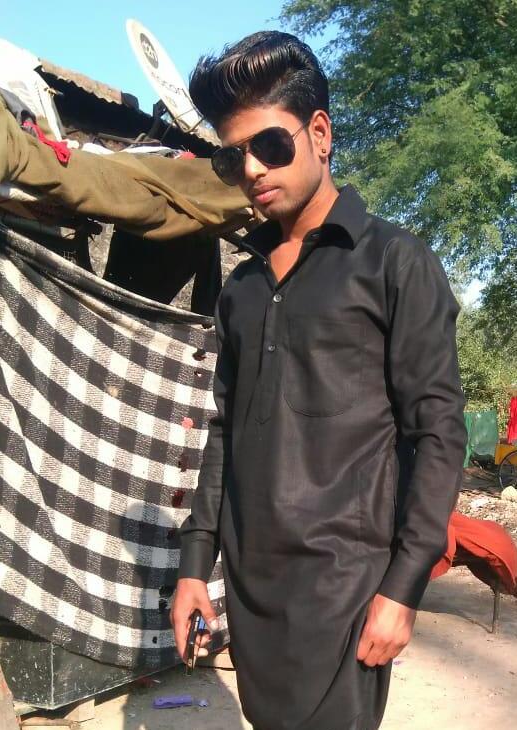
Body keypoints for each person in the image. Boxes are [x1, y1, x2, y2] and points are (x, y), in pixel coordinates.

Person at [171, 30, 467, 730]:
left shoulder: (393, 263)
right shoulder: (242, 288)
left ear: (320, 133)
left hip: (345, 587)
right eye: (231, 156)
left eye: (270, 145)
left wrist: (403, 587)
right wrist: (193, 566)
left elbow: (437, 431)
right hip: (252, 586)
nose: (251, 169)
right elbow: (223, 432)